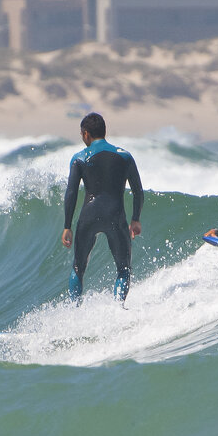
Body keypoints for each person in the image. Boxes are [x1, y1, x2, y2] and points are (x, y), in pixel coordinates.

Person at [61, 112, 143, 302]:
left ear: (86, 134)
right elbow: (138, 191)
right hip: (115, 215)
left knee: (78, 268)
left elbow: (71, 193)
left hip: (89, 215)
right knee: (123, 270)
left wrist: (67, 226)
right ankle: (117, 309)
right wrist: (135, 219)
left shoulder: (79, 158)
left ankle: (74, 313)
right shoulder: (125, 156)